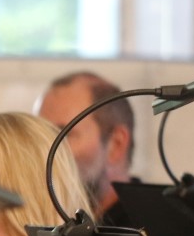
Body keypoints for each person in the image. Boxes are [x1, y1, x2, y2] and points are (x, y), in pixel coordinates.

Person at [35, 71, 136, 226]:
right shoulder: (51, 223)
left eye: (63, 134)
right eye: (41, 135)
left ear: (116, 144)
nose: (46, 149)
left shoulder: (153, 231)